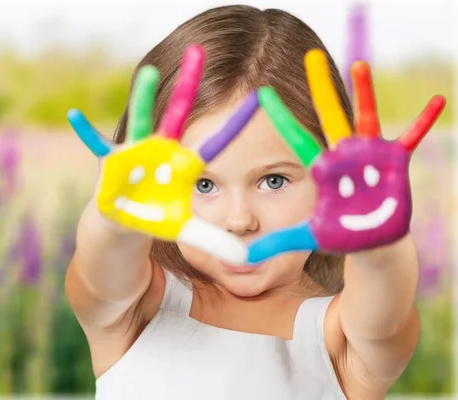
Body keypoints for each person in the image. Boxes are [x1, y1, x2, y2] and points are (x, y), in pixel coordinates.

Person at [65, 5, 443, 399]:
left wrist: (379, 240)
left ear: (331, 181)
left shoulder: (343, 342)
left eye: (273, 180)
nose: (239, 220)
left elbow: (387, 311)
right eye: (204, 185)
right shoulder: (134, 311)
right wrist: (115, 222)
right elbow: (102, 270)